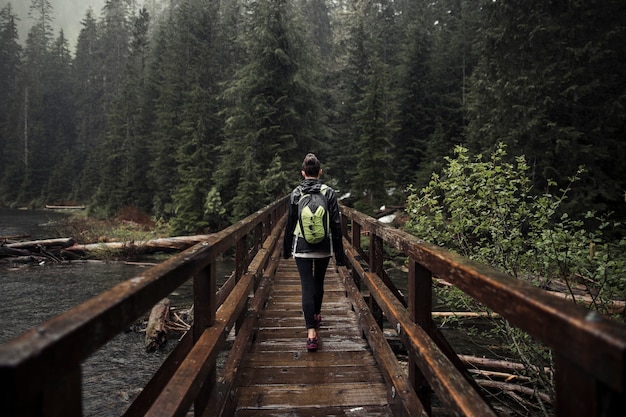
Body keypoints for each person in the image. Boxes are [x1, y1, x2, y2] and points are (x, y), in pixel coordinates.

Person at [283, 153, 345, 352]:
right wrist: (340, 254)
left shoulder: (295, 193)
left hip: (301, 247)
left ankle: (311, 334)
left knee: (306, 286)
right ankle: (316, 313)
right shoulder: (329, 193)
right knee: (319, 282)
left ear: (303, 173)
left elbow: (290, 224)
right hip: (324, 246)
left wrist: (285, 250)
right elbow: (336, 225)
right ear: (320, 172)